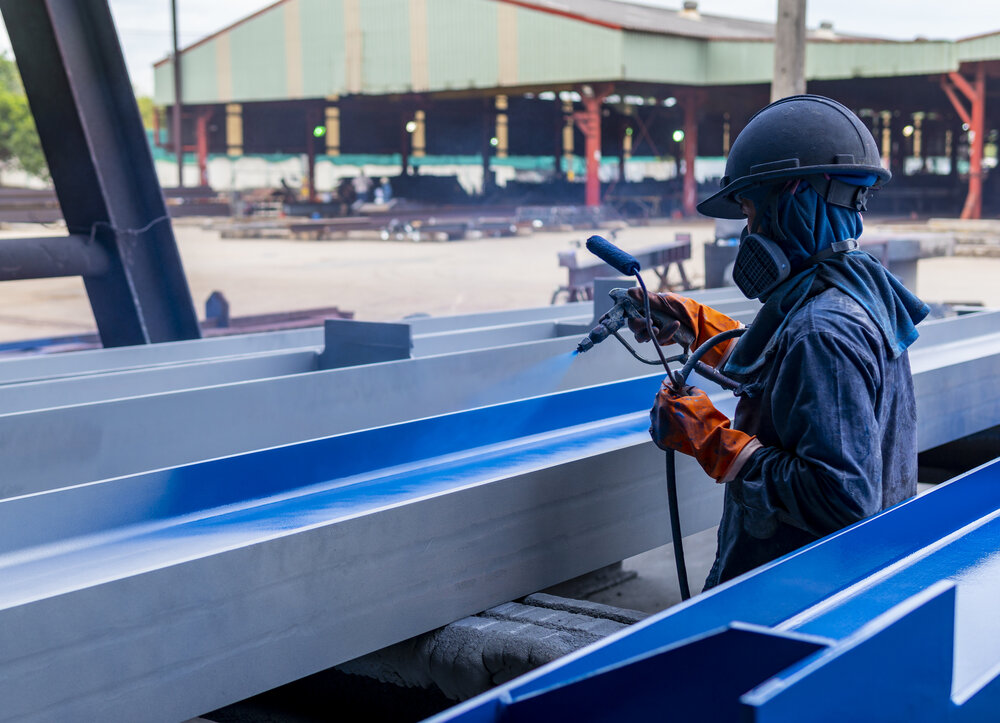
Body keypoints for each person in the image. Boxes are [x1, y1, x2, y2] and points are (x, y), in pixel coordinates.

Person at [628, 95, 930, 589]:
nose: (748, 231)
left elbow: (842, 500)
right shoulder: (853, 286)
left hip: (795, 596)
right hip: (846, 582)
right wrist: (695, 327)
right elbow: (794, 383)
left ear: (793, 199)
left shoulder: (823, 330)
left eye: (749, 209)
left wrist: (717, 444)